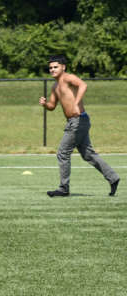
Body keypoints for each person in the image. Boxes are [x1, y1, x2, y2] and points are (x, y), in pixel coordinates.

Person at [40, 55, 119, 197]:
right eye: (50, 67)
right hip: (75, 121)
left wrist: (76, 103)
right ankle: (113, 178)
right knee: (88, 154)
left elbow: (83, 85)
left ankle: (64, 188)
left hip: (78, 120)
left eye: (55, 67)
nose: (52, 69)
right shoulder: (55, 86)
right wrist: (45, 104)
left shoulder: (68, 78)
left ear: (63, 67)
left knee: (63, 153)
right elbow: (52, 106)